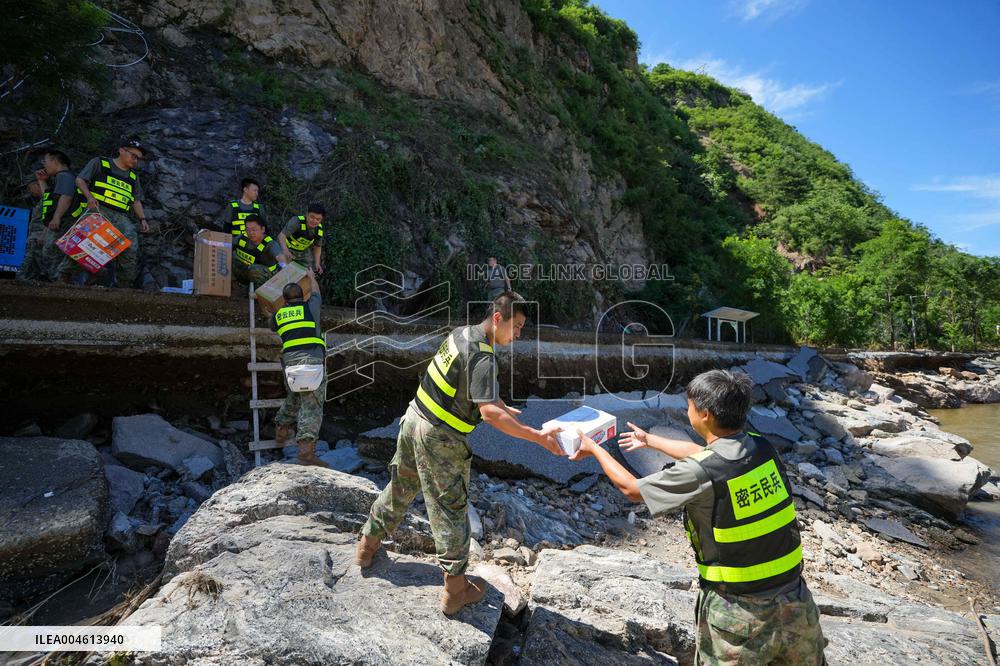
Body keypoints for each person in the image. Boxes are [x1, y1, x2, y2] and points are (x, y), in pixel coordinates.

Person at [570, 369, 826, 665]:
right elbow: (703, 454)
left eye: (689, 405)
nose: (687, 410)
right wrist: (649, 440)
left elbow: (631, 489)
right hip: (796, 605)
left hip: (740, 617)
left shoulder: (704, 471)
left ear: (703, 414)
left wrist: (595, 449)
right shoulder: (761, 447)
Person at [355, 291, 565, 615]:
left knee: (401, 486)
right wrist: (536, 437)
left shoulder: (461, 334)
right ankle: (456, 592)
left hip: (414, 420)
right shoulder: (484, 355)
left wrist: (495, 401)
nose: (519, 334)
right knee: (450, 510)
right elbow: (490, 414)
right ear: (499, 319)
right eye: (518, 326)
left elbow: (457, 384)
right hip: (439, 437)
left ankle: (367, 545)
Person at [72, 138, 151, 287]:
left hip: (121, 217)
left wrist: (143, 219)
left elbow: (136, 200)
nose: (136, 160)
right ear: (121, 150)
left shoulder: (133, 177)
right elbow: (80, 180)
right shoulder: (101, 163)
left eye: (138, 158)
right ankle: (64, 278)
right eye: (133, 155)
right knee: (84, 245)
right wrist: (89, 197)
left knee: (130, 246)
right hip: (98, 211)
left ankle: (124, 284)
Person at [272, 282, 329, 468]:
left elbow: (272, 324)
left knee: (295, 395)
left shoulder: (279, 315)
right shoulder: (311, 307)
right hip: (312, 363)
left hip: (290, 366)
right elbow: (316, 292)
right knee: (311, 407)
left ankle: (281, 430)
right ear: (302, 295)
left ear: (285, 299)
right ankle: (306, 452)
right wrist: (312, 277)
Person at [232, 215, 286, 287]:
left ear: (262, 229)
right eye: (247, 230)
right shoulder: (242, 238)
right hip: (245, 273)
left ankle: (259, 293)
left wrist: (283, 262)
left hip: (267, 279)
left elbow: (280, 257)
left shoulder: (270, 244)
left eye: (254, 230)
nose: (251, 233)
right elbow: (226, 245)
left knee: (255, 270)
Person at [277, 203, 325, 274]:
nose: (314, 221)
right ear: (306, 214)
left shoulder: (319, 230)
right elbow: (281, 236)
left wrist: (317, 263)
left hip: (302, 253)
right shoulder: (297, 221)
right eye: (312, 217)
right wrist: (285, 250)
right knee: (282, 261)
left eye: (318, 219)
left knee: (311, 272)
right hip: (287, 248)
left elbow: (317, 247)